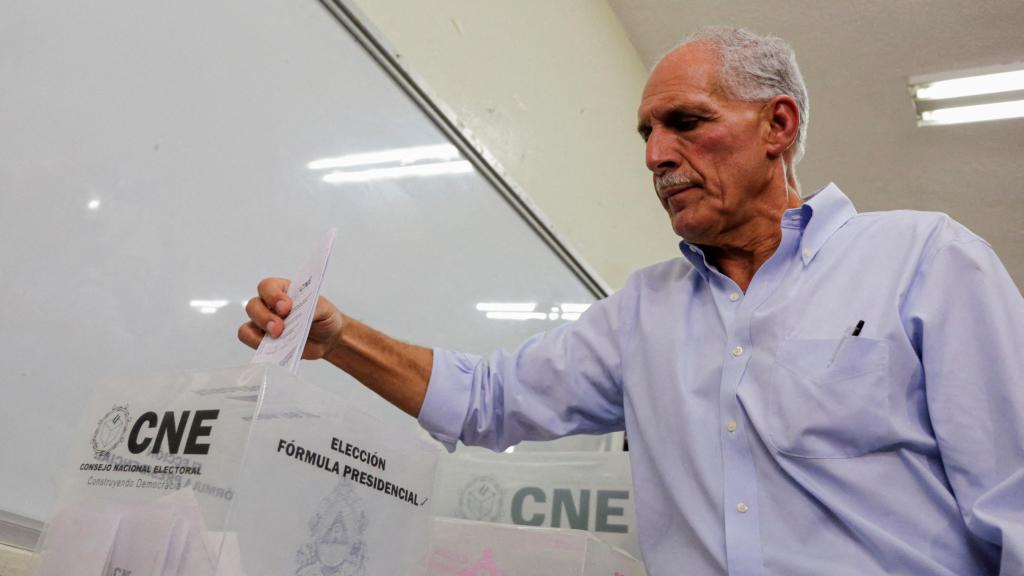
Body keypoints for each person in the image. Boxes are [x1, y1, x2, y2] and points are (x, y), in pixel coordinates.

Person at [239, 27, 1024, 576]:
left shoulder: (925, 259)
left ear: (776, 125)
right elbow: (487, 399)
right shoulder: (642, 313)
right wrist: (337, 338)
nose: (655, 155)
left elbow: (1012, 500)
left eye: (686, 123)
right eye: (646, 132)